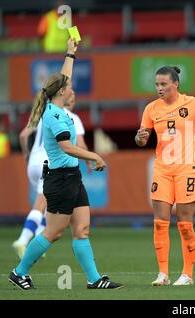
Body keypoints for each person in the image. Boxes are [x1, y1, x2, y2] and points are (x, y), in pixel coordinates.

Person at [8, 38, 122, 290]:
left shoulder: (56, 105)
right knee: (53, 232)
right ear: (62, 92)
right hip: (59, 180)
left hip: (71, 177)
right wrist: (94, 156)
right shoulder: (56, 115)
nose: (72, 87)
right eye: (68, 86)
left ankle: (94, 280)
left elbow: (63, 77)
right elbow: (66, 146)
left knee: (82, 229)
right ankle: (19, 272)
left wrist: (70, 53)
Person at [135, 66, 195, 286]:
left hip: (186, 169)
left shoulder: (193, 103)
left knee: (184, 224)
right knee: (160, 223)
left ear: (175, 84)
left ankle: (187, 274)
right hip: (162, 169)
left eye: (163, 84)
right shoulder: (151, 109)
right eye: (157, 84)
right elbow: (141, 140)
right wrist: (140, 138)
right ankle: (163, 273)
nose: (159, 88)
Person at [12, 92, 92, 259]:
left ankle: (40, 241)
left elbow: (23, 135)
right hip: (47, 163)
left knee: (49, 205)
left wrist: (26, 154)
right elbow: (79, 145)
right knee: (41, 205)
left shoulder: (44, 112)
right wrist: (91, 159)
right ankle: (23, 239)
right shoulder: (70, 117)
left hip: (33, 162)